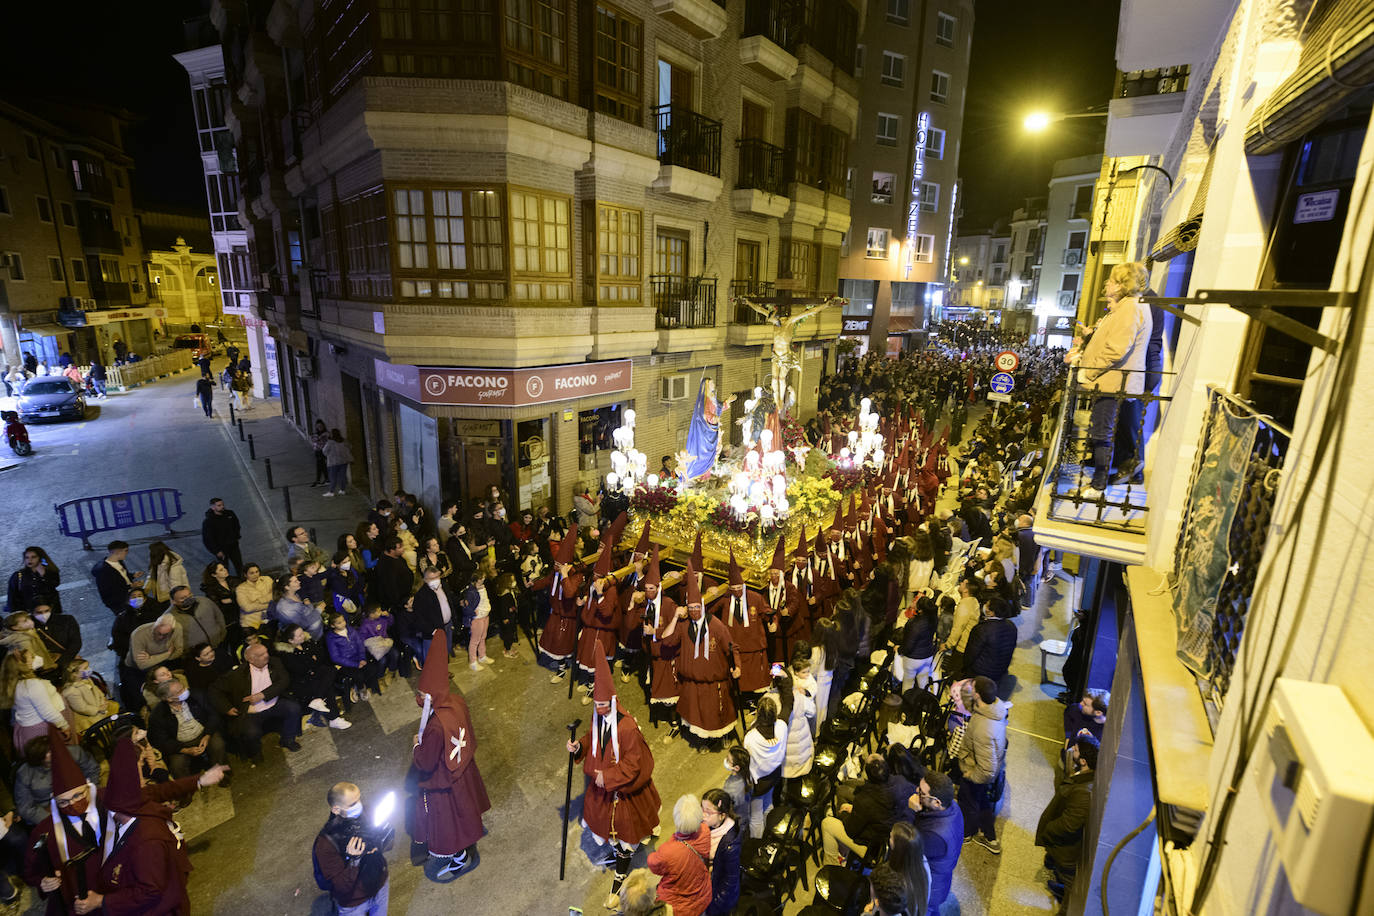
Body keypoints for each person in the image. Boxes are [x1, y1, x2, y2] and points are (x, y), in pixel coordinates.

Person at [567, 654, 663, 910]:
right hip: (604, 791)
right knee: (611, 833)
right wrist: (579, 747)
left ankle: (621, 873)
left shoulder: (628, 728)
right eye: (595, 704)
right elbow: (592, 738)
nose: (597, 708)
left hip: (625, 793)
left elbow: (633, 766)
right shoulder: (598, 714)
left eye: (602, 704)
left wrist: (606, 777)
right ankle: (618, 857)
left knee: (626, 836)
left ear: (612, 700)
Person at [409, 631, 490, 879]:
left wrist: (415, 745)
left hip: (444, 779)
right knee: (466, 809)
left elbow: (425, 761)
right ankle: (473, 831)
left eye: (422, 694)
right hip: (463, 768)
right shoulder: (455, 701)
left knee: (449, 821)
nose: (419, 698)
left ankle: (459, 855)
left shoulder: (434, 726)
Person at [1071, 262, 1152, 499]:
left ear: (1122, 285)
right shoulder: (1128, 307)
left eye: (1112, 281)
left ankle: (1098, 486)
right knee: (1106, 432)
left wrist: (1089, 372)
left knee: (1101, 433)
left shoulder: (1130, 308)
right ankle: (1106, 477)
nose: (1107, 284)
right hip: (1114, 381)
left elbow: (1115, 350)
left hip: (1113, 382)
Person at [660, 564, 739, 746]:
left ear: (702, 606)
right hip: (692, 683)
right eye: (691, 607)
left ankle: (723, 735)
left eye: (697, 607)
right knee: (697, 718)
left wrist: (738, 666)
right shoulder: (683, 625)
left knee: (717, 714)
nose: (694, 611)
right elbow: (667, 641)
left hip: (714, 682)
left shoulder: (717, 626)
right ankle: (703, 741)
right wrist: (674, 618)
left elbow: (731, 648)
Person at [212, 641, 303, 757]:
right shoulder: (238, 674)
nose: (266, 656)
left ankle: (288, 740)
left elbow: (284, 680)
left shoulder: (274, 662)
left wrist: (263, 695)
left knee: (293, 708)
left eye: (266, 652)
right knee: (251, 733)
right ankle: (255, 754)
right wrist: (226, 707)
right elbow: (215, 689)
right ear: (251, 659)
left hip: (274, 703)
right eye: (261, 655)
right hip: (252, 712)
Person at [313, 782, 392, 916]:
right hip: (354, 902)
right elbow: (340, 886)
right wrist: (354, 861)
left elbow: (388, 845)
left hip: (380, 886)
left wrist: (380, 839)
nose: (359, 805)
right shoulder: (326, 844)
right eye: (352, 804)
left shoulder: (369, 814)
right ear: (336, 809)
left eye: (359, 799)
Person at [1036, 734, 1098, 902]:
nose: (1071, 750)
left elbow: (1069, 825)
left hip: (1067, 851)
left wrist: (1049, 830)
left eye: (1076, 749)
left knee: (1070, 882)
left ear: (1084, 761)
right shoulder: (1083, 776)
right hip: (1062, 847)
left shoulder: (1084, 792)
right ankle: (1061, 888)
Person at [956, 676, 1009, 854]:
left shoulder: (984, 728)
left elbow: (986, 769)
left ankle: (968, 833)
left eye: (973, 688)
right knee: (983, 801)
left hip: (975, 771)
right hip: (982, 767)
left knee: (969, 801)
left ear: (977, 695)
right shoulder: (995, 708)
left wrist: (970, 775)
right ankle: (989, 836)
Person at [821, 756, 901, 864]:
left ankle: (831, 867)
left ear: (867, 775)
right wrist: (855, 809)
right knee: (843, 792)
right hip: (890, 841)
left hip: (872, 849)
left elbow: (851, 830)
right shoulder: (899, 784)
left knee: (827, 823)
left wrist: (844, 813)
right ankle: (843, 852)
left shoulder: (865, 800)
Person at [148, 675, 228, 779]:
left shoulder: (197, 696)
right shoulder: (158, 715)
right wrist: (184, 750)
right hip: (180, 744)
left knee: (218, 745)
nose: (185, 691)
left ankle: (222, 775)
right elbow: (161, 741)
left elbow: (213, 715)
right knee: (177, 766)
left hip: (204, 733)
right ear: (169, 699)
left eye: (183, 687)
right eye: (179, 692)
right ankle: (188, 788)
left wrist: (207, 735)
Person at [646, 795, 712, 916]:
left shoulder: (668, 851)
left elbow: (652, 864)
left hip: (679, 907)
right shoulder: (705, 831)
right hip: (703, 895)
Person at [910, 772, 962, 916]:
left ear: (937, 802)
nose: (916, 792)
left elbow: (912, 844)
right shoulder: (953, 807)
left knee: (924, 911)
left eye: (921, 792)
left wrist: (913, 812)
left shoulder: (936, 835)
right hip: (941, 877)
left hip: (930, 887)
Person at [6, 647, 72, 751]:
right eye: (31, 658)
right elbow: (47, 711)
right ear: (23, 664)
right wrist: (64, 726)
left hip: (25, 730)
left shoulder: (13, 684)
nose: (35, 659)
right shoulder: (32, 685)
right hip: (39, 730)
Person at [741, 696, 785, 839]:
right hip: (774, 775)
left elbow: (745, 761)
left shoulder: (751, 737)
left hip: (758, 783)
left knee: (755, 816)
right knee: (769, 804)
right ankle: (769, 833)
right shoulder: (782, 726)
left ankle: (756, 846)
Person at [701, 789, 741, 916]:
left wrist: (716, 904)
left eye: (708, 812)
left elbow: (730, 881)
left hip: (715, 895)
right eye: (702, 809)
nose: (703, 815)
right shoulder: (707, 826)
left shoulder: (730, 844)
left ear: (722, 815)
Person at [961, 596, 1017, 683]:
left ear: (991, 613)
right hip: (1000, 670)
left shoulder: (982, 629)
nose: (984, 606)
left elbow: (971, 653)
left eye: (987, 605)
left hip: (980, 671)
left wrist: (964, 667)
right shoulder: (1011, 626)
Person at [61, 659, 118, 734]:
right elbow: (82, 708)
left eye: (88, 667)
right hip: (88, 716)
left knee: (114, 706)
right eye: (85, 668)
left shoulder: (87, 680)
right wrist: (98, 709)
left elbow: (97, 691)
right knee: (100, 727)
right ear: (75, 674)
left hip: (99, 706)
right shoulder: (72, 691)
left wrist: (102, 700)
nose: (89, 669)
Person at [886, 822, 931, 916]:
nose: (889, 839)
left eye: (891, 837)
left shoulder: (896, 884)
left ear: (898, 848)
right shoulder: (923, 863)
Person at [92, 541, 144, 615]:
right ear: (117, 552)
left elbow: (122, 576)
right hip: (118, 601)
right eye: (126, 551)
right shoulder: (103, 571)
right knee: (128, 618)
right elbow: (110, 589)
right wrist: (131, 586)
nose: (127, 553)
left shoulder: (119, 561)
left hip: (128, 594)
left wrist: (133, 575)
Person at [32, 599, 82, 675]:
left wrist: (61, 662)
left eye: (46, 611)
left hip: (66, 663)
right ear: (32, 612)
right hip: (43, 668)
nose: (43, 614)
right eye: (39, 612)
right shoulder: (28, 626)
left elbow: (75, 643)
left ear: (51, 609)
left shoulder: (66, 620)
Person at [169, 585, 227, 650]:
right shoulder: (170, 618)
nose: (188, 598)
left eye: (189, 594)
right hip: (196, 654)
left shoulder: (205, 602)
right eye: (183, 598)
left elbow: (219, 617)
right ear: (173, 601)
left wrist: (221, 635)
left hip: (218, 644)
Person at [8, 546, 61, 614]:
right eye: (27, 557)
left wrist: (43, 575)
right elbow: (12, 597)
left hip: (50, 611)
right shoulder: (18, 575)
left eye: (33, 557)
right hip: (28, 612)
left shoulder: (50, 572)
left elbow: (53, 586)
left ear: (40, 558)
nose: (30, 560)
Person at [201, 497, 244, 577]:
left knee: (239, 564)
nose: (222, 507)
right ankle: (228, 585)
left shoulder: (230, 514)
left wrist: (235, 537)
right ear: (213, 507)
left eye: (222, 504)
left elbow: (236, 526)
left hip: (233, 545)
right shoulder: (209, 522)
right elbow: (208, 539)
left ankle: (242, 581)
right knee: (224, 568)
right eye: (219, 505)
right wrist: (216, 551)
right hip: (222, 549)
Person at [235, 563, 273, 634]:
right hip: (251, 623)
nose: (255, 574)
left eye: (257, 571)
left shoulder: (267, 580)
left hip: (269, 618)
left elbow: (275, 595)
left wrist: (259, 601)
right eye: (251, 573)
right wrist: (269, 604)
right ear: (245, 575)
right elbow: (247, 608)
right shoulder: (240, 588)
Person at [323, 428, 353, 497]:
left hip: (333, 462)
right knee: (342, 476)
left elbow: (324, 451)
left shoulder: (330, 442)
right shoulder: (344, 441)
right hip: (343, 461)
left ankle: (331, 491)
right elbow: (350, 447)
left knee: (333, 477)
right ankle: (342, 490)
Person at [310, 419, 331, 488]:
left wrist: (318, 438)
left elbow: (320, 440)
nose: (319, 427)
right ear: (316, 426)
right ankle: (326, 479)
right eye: (318, 426)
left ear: (323, 426)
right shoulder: (316, 433)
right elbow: (313, 440)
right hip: (317, 451)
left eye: (321, 426)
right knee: (321, 466)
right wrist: (316, 438)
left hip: (322, 451)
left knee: (320, 466)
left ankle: (319, 481)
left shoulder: (326, 433)